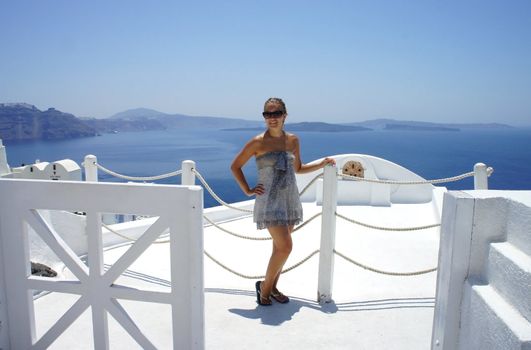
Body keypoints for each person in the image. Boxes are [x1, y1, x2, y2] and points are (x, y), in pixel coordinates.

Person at [231, 97, 335, 306]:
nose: (272, 118)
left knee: (278, 249)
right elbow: (235, 166)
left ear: (284, 115)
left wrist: (322, 164)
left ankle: (273, 286)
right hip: (269, 201)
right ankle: (265, 288)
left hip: (289, 199)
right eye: (267, 114)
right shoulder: (257, 142)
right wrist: (248, 190)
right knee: (286, 246)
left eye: (276, 113)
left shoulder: (293, 140)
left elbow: (298, 168)